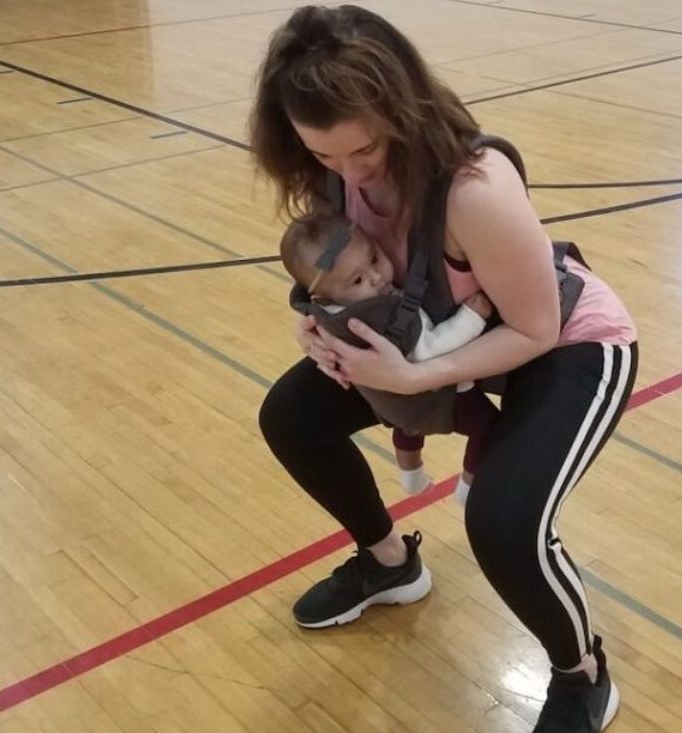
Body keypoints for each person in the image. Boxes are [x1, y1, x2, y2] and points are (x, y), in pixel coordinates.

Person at [251, 5, 638, 731]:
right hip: (444, 344)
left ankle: (581, 671)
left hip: (564, 341)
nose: (347, 172)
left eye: (362, 152)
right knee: (292, 418)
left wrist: (416, 379)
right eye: (324, 156)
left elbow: (535, 325)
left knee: (503, 519)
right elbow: (351, 277)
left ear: (402, 105)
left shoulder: (475, 187)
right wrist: (318, 320)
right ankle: (390, 561)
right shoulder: (336, 174)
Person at [278, 213, 499, 502]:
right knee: (489, 427)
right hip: (432, 398)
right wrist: (473, 317)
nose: (377, 276)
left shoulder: (326, 310)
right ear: (323, 294)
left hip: (390, 406)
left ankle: (412, 476)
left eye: (373, 258)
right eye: (357, 280)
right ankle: (468, 489)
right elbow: (426, 350)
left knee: (407, 429)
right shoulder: (381, 314)